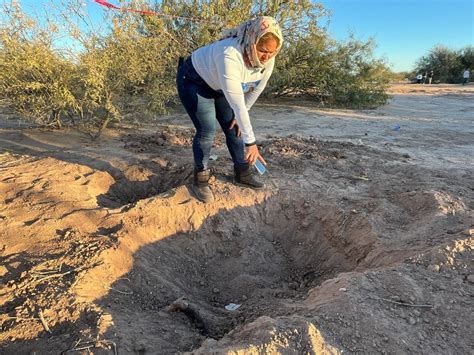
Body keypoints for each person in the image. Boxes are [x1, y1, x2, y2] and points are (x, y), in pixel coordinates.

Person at [176, 17, 283, 203]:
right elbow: (237, 101)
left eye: (272, 53)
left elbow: (256, 88)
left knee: (235, 126)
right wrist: (251, 143)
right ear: (252, 40)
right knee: (207, 129)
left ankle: (242, 173)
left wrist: (242, 117)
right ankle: (200, 180)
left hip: (219, 85)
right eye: (262, 50)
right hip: (194, 81)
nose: (266, 57)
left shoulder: (268, 62)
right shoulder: (230, 54)